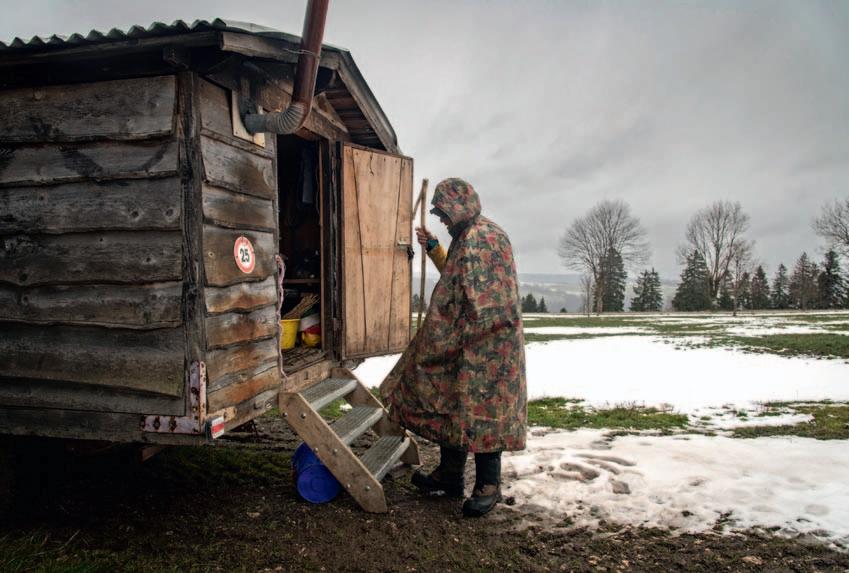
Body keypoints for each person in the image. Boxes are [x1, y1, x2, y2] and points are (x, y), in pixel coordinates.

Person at [380, 178, 527, 517]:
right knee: (451, 400)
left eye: (444, 214)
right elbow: (456, 277)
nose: (443, 221)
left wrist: (449, 331)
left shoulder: (484, 238)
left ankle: (488, 485)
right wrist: (433, 247)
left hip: (488, 348)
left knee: (484, 410)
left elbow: (485, 302)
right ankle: (450, 475)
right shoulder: (467, 237)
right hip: (465, 341)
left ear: (460, 207)